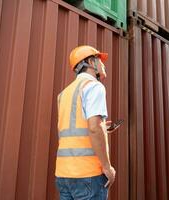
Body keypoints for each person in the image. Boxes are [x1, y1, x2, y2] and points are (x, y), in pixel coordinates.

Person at [55, 45, 118, 200]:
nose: (103, 64)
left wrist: (104, 128)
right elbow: (94, 128)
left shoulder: (63, 94)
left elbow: (72, 129)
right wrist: (107, 167)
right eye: (100, 60)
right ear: (91, 62)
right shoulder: (94, 87)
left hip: (63, 174)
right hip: (88, 174)